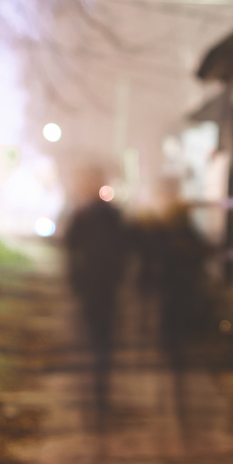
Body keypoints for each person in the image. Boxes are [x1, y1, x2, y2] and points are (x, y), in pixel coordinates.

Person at [135, 176, 210, 426]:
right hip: (173, 289)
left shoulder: (163, 220)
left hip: (171, 290)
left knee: (171, 345)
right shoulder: (163, 220)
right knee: (172, 345)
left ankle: (172, 402)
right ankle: (173, 402)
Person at [62, 164, 127, 432]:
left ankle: (97, 393)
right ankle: (98, 392)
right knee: (100, 340)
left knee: (95, 339)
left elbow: (70, 248)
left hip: (96, 286)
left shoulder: (88, 215)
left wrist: (75, 280)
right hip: (100, 286)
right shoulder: (98, 215)